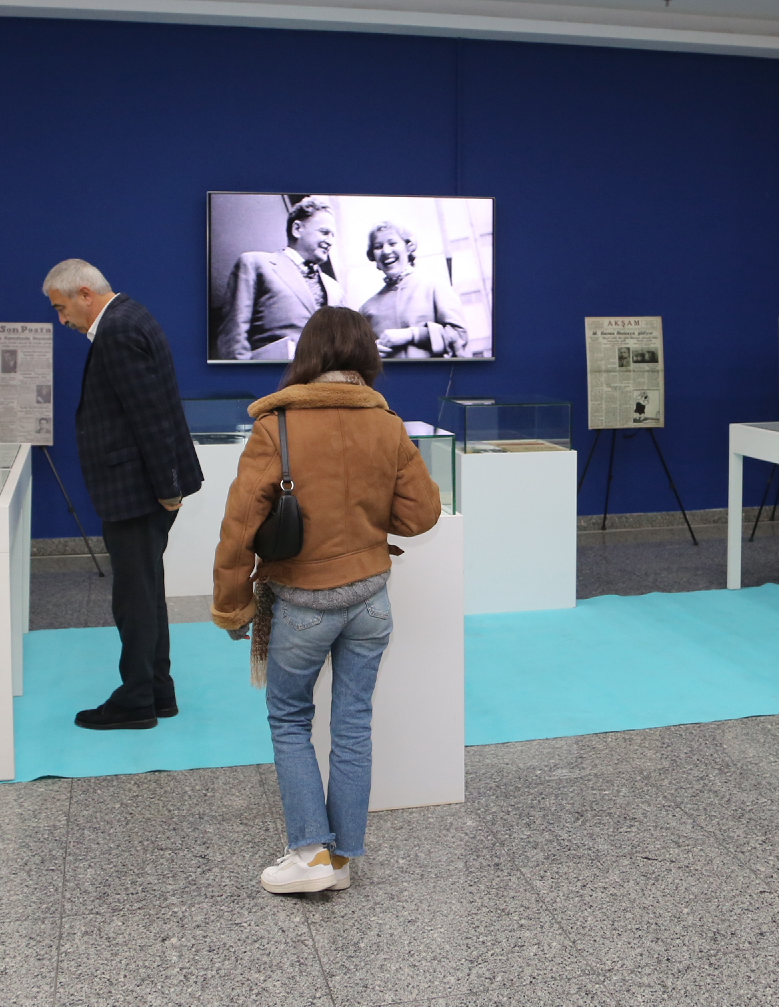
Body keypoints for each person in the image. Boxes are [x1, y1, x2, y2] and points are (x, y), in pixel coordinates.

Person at [212, 306, 442, 895]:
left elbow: (240, 527)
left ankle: (309, 853)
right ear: (366, 354)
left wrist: (232, 604)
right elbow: (421, 515)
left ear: (307, 354)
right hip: (371, 599)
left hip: (301, 603)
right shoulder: (387, 423)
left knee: (290, 719)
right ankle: (340, 860)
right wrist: (366, 512)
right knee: (354, 723)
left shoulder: (278, 426)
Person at [43, 259, 203, 730]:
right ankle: (158, 692)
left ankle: (136, 700)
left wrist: (167, 488)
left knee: (134, 599)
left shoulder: (117, 330)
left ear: (85, 293)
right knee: (146, 591)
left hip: (135, 491)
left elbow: (149, 416)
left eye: (61, 308)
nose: (62, 320)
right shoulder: (130, 316)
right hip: (142, 487)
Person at [216, 196, 344, 360]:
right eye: (324, 232)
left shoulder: (335, 288)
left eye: (333, 235)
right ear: (297, 229)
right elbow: (233, 339)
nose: (330, 241)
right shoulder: (255, 264)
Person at [356, 220, 470, 358]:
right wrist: (368, 353)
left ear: (408, 247)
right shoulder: (366, 309)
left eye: (392, 243)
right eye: (378, 247)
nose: (386, 251)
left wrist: (413, 334)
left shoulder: (434, 286)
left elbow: (459, 335)